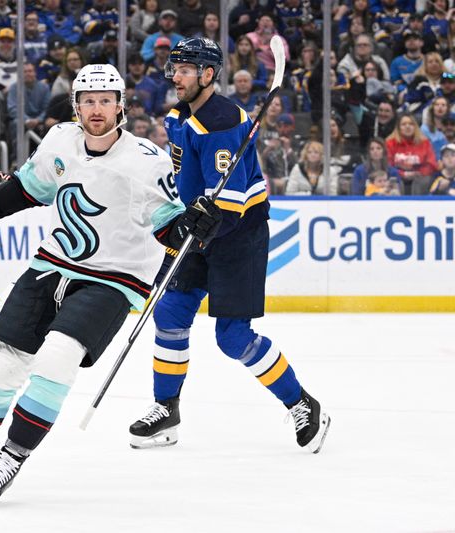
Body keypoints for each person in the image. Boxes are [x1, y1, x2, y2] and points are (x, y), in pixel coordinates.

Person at [0, 63, 191, 505]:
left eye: (106, 100)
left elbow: (169, 227)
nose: (97, 109)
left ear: (120, 106)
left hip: (114, 279)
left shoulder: (148, 160)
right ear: (76, 107)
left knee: (57, 358)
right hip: (52, 265)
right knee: (4, 364)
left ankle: (12, 454)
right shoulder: (59, 142)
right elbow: (27, 189)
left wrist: (192, 227)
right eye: (88, 101)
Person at [128, 38, 331, 454]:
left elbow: (232, 207)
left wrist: (202, 222)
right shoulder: (177, 116)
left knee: (233, 336)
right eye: (174, 68)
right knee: (169, 312)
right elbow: (185, 177)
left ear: (207, 74)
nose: (175, 77)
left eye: (185, 70)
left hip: (239, 235)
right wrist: (183, 219)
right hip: (200, 228)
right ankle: (166, 410)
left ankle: (302, 403)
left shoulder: (223, 123)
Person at [386, 112, 438, 195]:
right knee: (394, 181)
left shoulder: (425, 142)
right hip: (397, 175)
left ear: (415, 127)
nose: (407, 126)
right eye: (404, 124)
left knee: (423, 181)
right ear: (398, 128)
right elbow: (387, 165)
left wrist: (419, 173)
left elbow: (431, 164)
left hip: (420, 176)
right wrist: (403, 174)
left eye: (411, 124)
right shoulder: (390, 143)